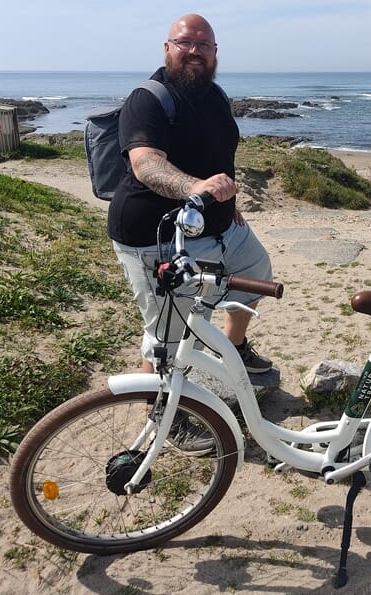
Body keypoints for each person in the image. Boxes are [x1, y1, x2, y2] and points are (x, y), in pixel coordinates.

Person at [108, 13, 273, 375]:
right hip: (159, 236)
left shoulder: (215, 96)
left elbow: (219, 155)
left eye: (204, 44)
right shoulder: (147, 100)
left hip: (220, 225)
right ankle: (162, 409)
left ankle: (234, 347)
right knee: (170, 333)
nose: (195, 51)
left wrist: (230, 204)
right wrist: (195, 187)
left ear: (215, 52)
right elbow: (146, 163)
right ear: (168, 48)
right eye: (186, 42)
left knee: (256, 272)